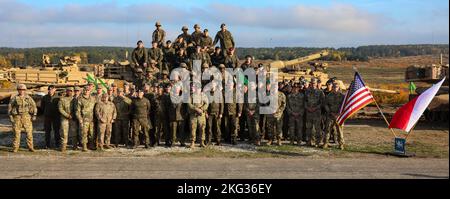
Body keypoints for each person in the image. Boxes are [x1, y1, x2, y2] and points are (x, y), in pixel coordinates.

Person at [8, 84, 37, 153]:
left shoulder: (28, 98)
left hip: (26, 117)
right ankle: (15, 148)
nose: (21, 91)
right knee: (16, 134)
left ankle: (31, 147)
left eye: (23, 90)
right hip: (17, 117)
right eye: (20, 90)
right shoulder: (14, 98)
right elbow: (10, 108)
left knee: (29, 133)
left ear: (25, 90)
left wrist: (34, 115)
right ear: (18, 90)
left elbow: (34, 106)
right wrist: (11, 117)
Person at [323, 83, 345, 150]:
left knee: (339, 130)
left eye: (337, 87)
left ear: (339, 88)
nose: (335, 88)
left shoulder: (342, 96)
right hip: (330, 115)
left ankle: (341, 144)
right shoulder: (329, 96)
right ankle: (326, 143)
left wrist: (339, 113)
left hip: (339, 116)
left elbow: (344, 106)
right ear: (332, 88)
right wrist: (330, 112)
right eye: (334, 87)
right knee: (328, 130)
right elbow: (325, 105)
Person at [305, 78, 325, 147]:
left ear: (316, 84)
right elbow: (304, 101)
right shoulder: (307, 91)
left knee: (317, 128)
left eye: (314, 83)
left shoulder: (320, 92)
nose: (313, 84)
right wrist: (307, 108)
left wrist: (315, 108)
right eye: (312, 83)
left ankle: (318, 142)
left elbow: (322, 102)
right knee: (308, 128)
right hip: (309, 112)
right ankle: (309, 141)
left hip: (317, 112)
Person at [76, 85, 97, 151]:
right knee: (84, 133)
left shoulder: (93, 98)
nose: (86, 91)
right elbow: (77, 111)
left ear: (90, 91)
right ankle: (84, 146)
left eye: (88, 90)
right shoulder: (80, 99)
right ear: (83, 90)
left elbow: (96, 108)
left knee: (92, 133)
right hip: (84, 119)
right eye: (85, 90)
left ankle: (91, 145)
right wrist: (80, 119)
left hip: (92, 119)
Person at [58, 87, 77, 152]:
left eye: (71, 91)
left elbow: (77, 108)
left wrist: (74, 115)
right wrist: (67, 115)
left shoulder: (74, 99)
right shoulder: (62, 99)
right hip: (64, 118)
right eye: (68, 91)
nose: (70, 92)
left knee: (74, 132)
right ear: (66, 91)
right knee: (64, 133)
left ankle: (74, 146)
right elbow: (60, 109)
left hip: (73, 118)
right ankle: (63, 146)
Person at [244, 82, 261, 146]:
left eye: (252, 86)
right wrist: (248, 111)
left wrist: (254, 111)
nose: (251, 87)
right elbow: (244, 104)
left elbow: (259, 104)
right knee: (250, 127)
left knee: (256, 127)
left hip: (255, 113)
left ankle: (257, 140)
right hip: (248, 113)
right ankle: (252, 139)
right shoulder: (246, 94)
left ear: (255, 87)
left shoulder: (257, 94)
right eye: (250, 86)